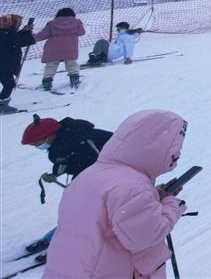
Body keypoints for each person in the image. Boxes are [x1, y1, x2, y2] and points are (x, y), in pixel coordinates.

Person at [44, 109, 189, 279]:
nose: (177, 154)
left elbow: (107, 216)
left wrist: (154, 197)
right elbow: (145, 236)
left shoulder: (90, 174)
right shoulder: (132, 186)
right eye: (176, 148)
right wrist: (172, 206)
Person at [20, 114, 114, 255]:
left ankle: (78, 237)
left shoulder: (71, 139)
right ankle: (67, 232)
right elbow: (63, 161)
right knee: (77, 206)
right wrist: (55, 174)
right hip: (88, 171)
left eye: (37, 143)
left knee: (88, 208)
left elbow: (102, 160)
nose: (37, 147)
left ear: (49, 136)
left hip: (109, 172)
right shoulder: (64, 138)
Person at [35, 8, 86, 90]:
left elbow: (42, 35)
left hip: (53, 48)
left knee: (51, 65)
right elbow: (82, 32)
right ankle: (74, 79)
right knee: (71, 63)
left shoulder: (51, 24)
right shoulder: (77, 23)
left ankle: (47, 82)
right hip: (70, 48)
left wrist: (31, 37)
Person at [0, 14, 36, 115]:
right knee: (9, 84)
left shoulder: (5, 32)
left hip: (4, 64)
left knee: (8, 83)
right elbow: (20, 41)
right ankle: (2, 105)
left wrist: (24, 31)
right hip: (4, 65)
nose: (19, 25)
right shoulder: (7, 33)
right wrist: (27, 33)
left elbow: (14, 38)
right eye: (18, 23)